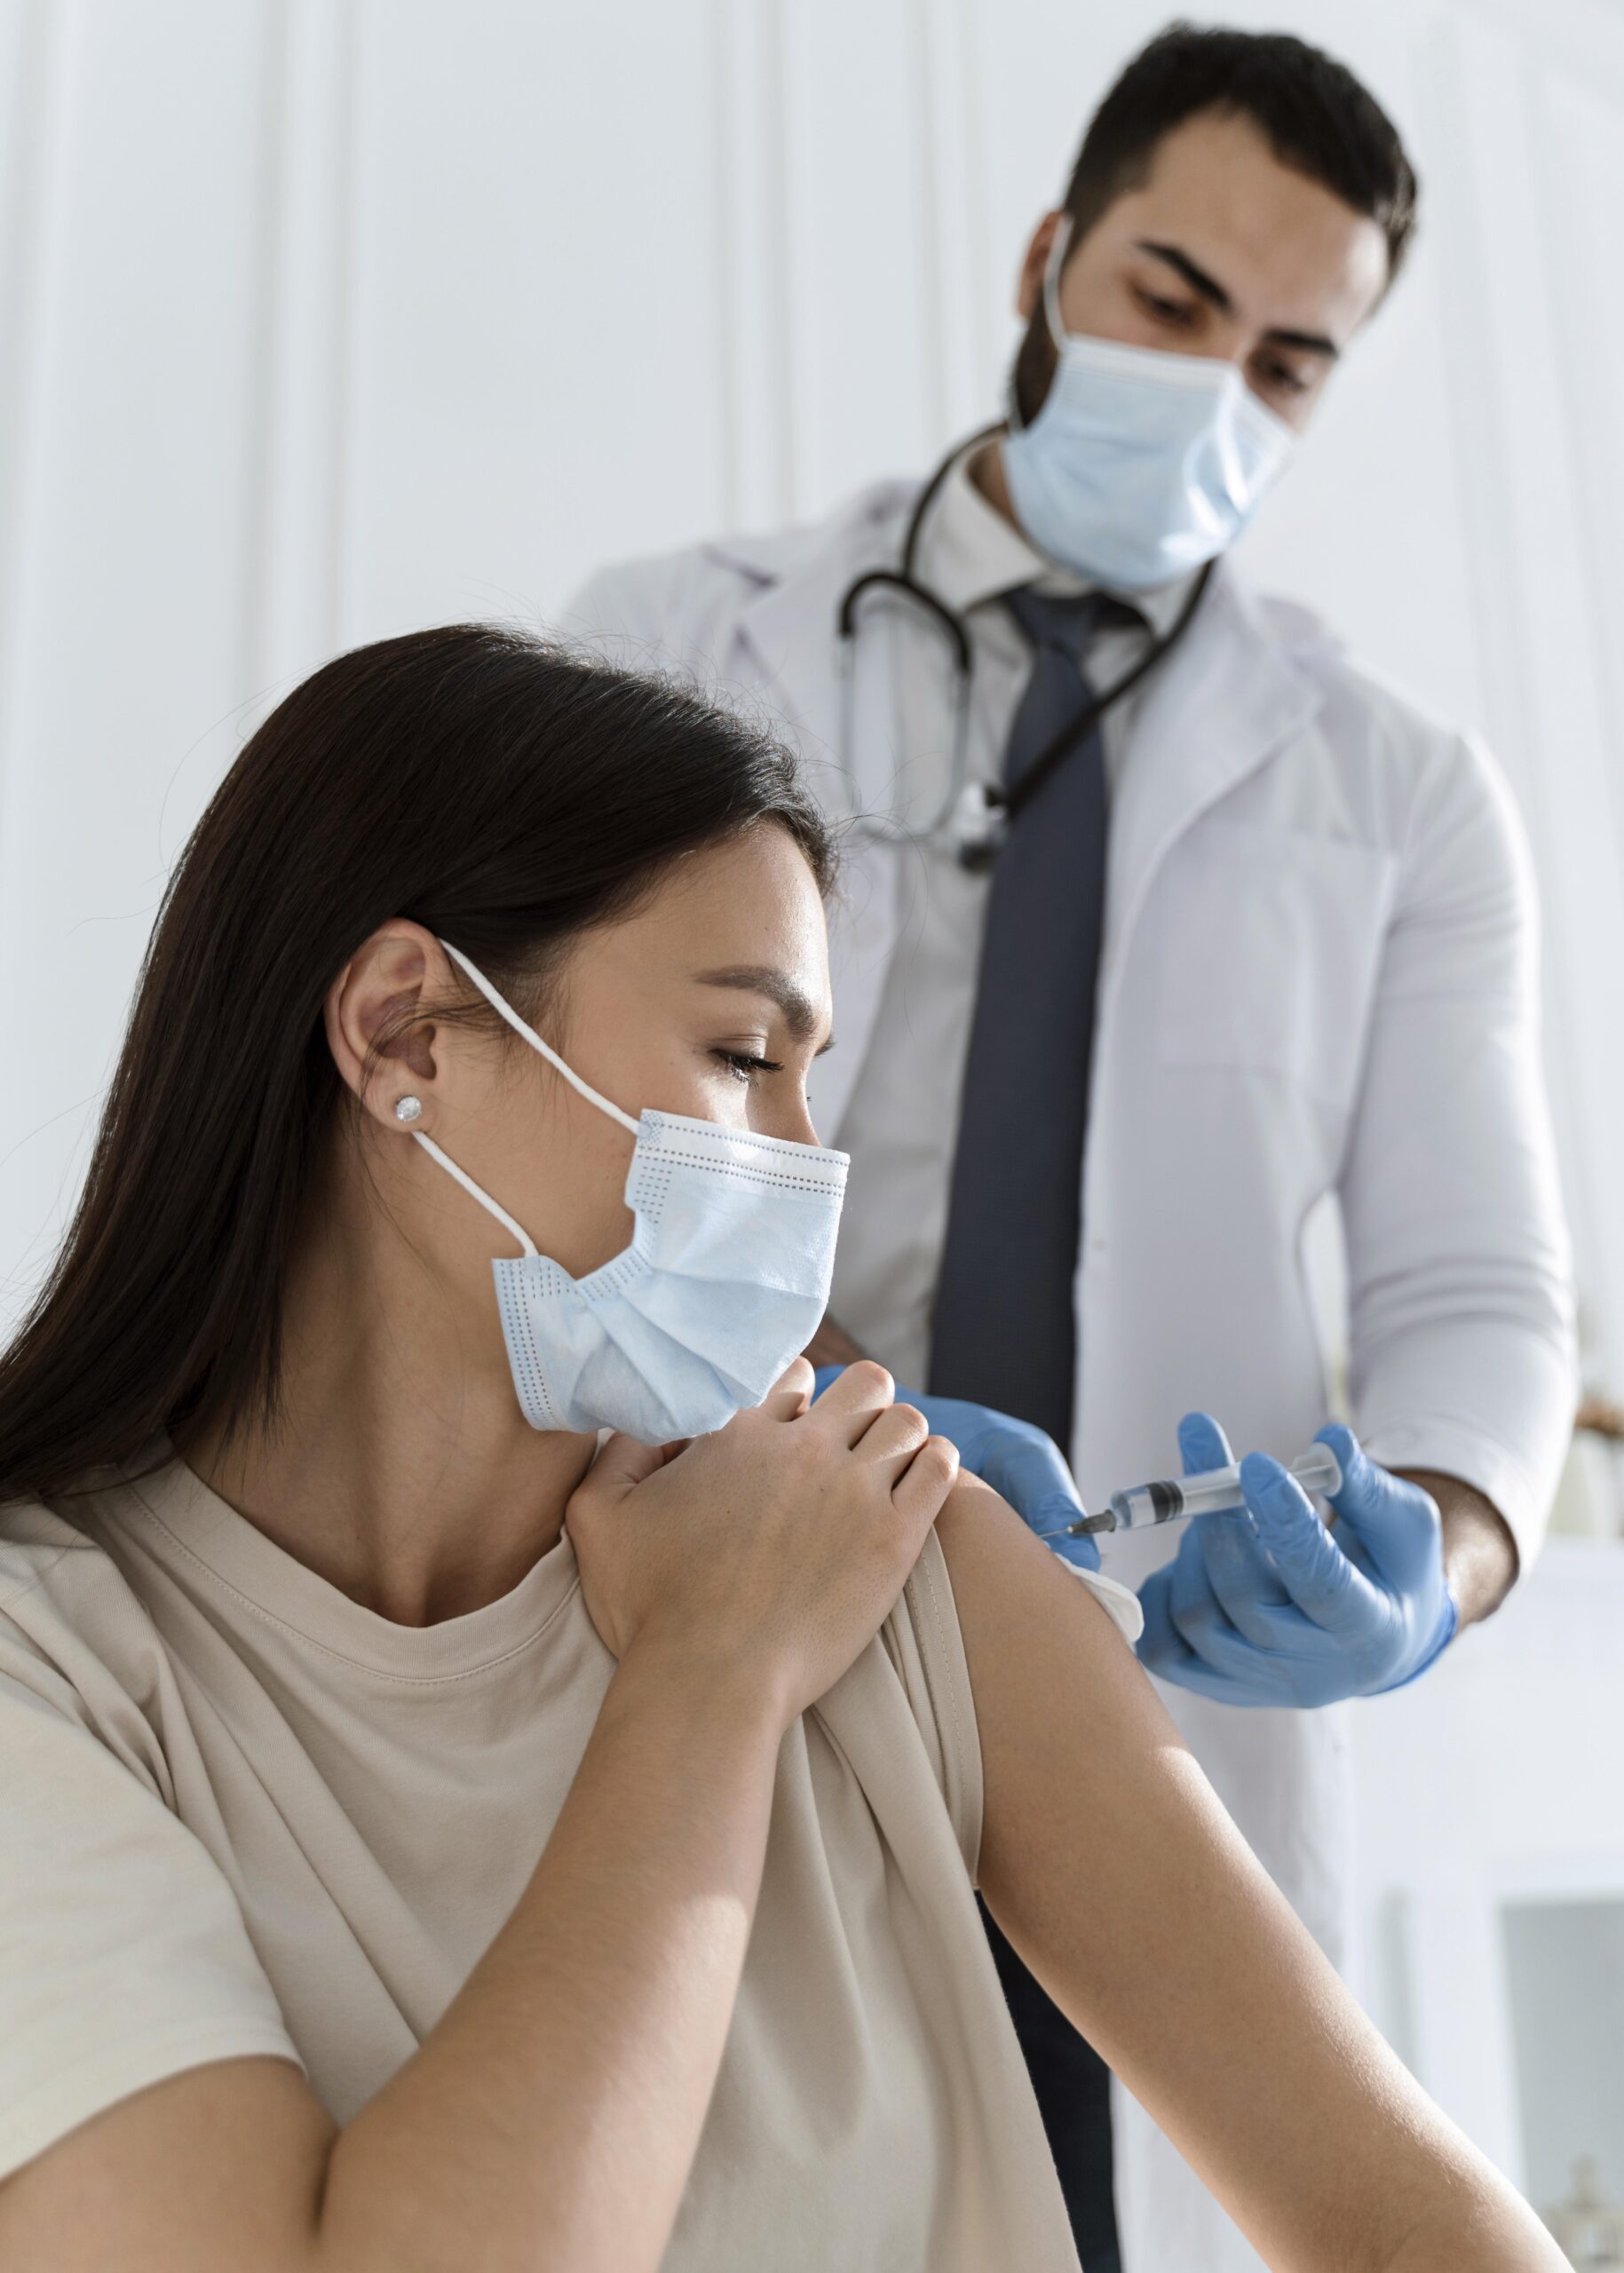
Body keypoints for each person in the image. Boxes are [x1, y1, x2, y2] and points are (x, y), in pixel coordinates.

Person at [0, 626, 1563, 2273]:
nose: (807, 1172)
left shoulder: (891, 1554)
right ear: (405, 1035)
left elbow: (1424, 2236)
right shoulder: (56, 1672)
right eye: (745, 1058)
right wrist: (711, 1676)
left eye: (818, 1081)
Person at [564, 25, 1578, 2272]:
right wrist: (840, 1420)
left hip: (1136, 1695)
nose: (1217, 388)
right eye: (1172, 300)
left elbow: (1477, 1303)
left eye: (1293, 359)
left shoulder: (1398, 794)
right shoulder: (669, 648)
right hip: (712, 1583)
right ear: (1049, 258)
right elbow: (566, 1146)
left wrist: (1431, 1554)